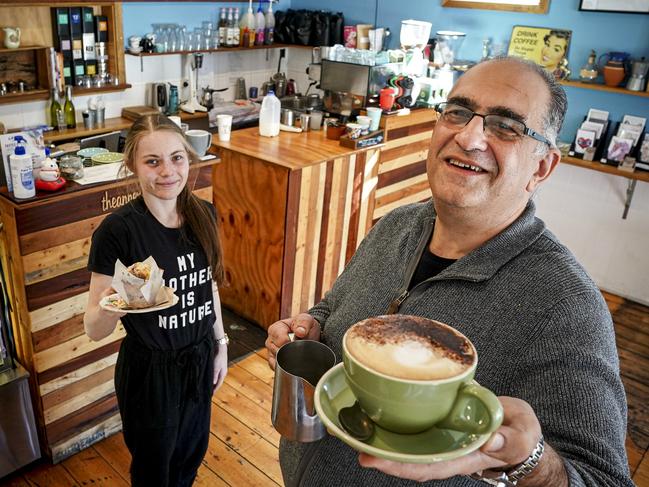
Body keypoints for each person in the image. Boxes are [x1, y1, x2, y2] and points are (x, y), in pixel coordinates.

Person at [266, 57, 634, 487]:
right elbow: (334, 308)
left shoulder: (565, 306)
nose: (469, 136)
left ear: (541, 167)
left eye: (506, 126)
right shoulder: (395, 225)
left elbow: (604, 479)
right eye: (458, 112)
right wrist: (314, 328)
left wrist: (526, 463)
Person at [84, 114, 228, 487]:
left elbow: (207, 287)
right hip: (150, 373)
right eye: (152, 161)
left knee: (189, 460)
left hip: (198, 358)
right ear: (132, 165)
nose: (168, 171)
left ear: (188, 158)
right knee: (153, 472)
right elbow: (93, 330)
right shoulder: (118, 231)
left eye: (176, 157)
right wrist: (117, 298)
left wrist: (221, 344)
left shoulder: (204, 214)